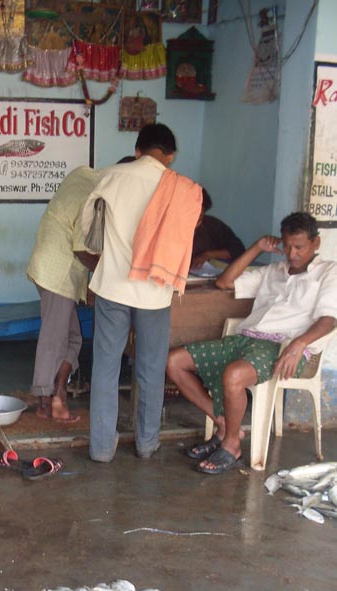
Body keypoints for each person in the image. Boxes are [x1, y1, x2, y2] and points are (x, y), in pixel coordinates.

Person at [166, 212, 337, 474]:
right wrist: (257, 248)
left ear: (316, 243)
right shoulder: (273, 271)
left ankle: (232, 445)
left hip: (285, 348)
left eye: (299, 247)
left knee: (234, 375)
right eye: (287, 246)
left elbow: (329, 319)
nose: (292, 253)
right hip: (246, 339)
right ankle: (224, 424)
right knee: (174, 362)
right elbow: (224, 282)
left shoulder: (328, 272)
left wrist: (299, 344)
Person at [82, 123, 202, 462]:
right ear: (171, 155)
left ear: (137, 150)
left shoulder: (112, 176)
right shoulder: (183, 188)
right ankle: (147, 443)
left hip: (113, 287)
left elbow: (87, 225)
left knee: (106, 368)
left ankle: (101, 449)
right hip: (155, 291)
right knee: (150, 369)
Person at [26, 165, 103, 422]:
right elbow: (82, 250)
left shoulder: (83, 176)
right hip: (57, 272)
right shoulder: (94, 197)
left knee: (73, 338)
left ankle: (59, 393)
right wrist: (106, 275)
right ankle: (45, 402)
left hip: (50, 267)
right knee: (55, 338)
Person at [191, 189, 245, 269]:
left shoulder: (211, 225)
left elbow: (238, 249)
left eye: (199, 218)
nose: (196, 222)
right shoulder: (173, 227)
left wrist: (208, 255)